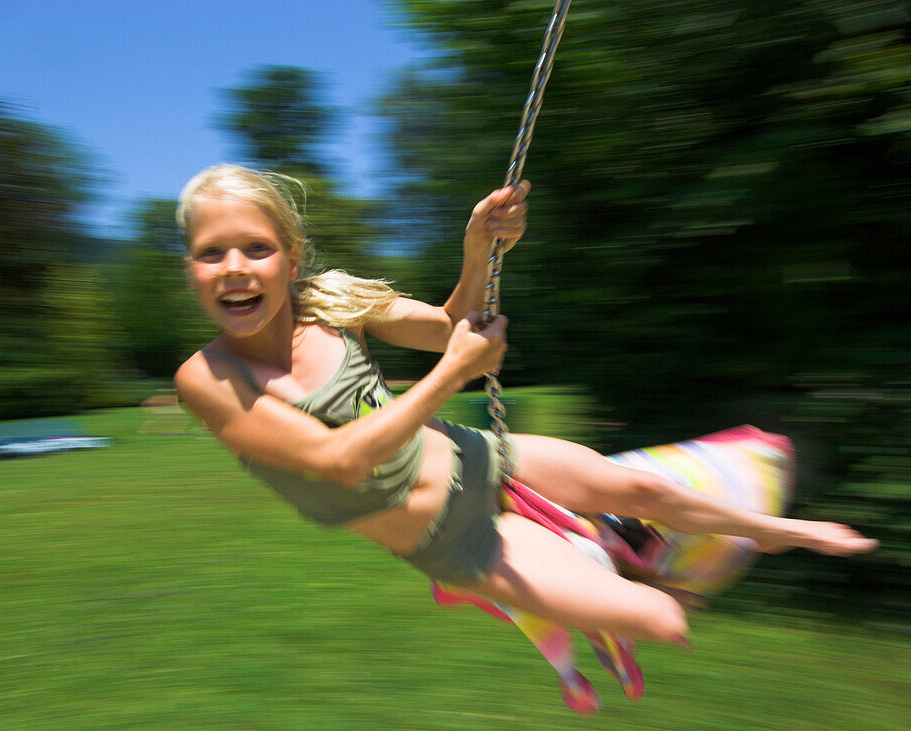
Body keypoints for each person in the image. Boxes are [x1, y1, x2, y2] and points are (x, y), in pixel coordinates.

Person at [173, 164, 877, 646]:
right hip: (455, 539)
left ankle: (780, 531)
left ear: (290, 260)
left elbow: (451, 325)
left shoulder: (333, 301)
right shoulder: (206, 377)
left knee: (643, 486)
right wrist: (454, 372)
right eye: (212, 253)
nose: (235, 267)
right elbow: (337, 456)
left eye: (256, 248)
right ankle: (623, 555)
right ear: (191, 269)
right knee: (666, 622)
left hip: (482, 455)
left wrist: (478, 250)